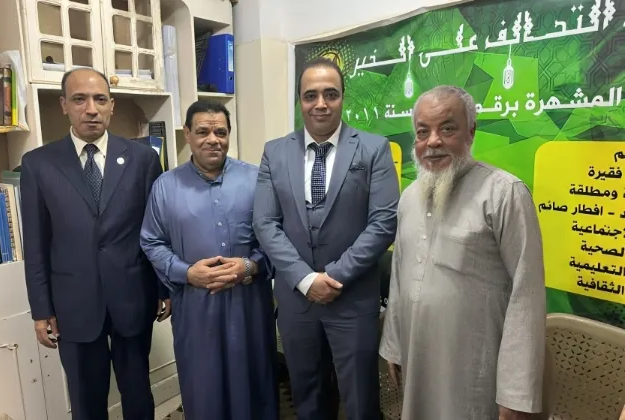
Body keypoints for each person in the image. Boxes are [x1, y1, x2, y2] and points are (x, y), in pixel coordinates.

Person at [379, 85, 546, 420]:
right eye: (422, 132)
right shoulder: (409, 197)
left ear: (471, 131)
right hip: (418, 358)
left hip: (475, 371)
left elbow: (526, 296)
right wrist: (394, 345)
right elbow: (400, 276)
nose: (433, 141)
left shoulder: (504, 194)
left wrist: (516, 394)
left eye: (447, 128)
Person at [253, 58, 399, 420]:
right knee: (308, 398)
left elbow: (383, 223)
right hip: (297, 302)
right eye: (311, 95)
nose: (321, 104)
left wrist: (333, 276)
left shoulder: (373, 148)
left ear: (343, 97)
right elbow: (265, 222)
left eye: (330, 94)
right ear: (300, 100)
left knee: (361, 402)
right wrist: (305, 280)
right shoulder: (275, 152)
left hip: (352, 299)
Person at [21, 68, 171, 420]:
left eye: (100, 99)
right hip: (73, 304)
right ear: (64, 105)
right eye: (80, 99)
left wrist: (164, 288)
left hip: (133, 296)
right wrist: (41, 309)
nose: (91, 109)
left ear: (111, 105)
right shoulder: (38, 164)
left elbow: (156, 231)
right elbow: (36, 244)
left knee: (137, 393)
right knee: (86, 401)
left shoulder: (143, 159)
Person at [140, 100, 278, 420]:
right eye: (203, 132)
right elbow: (151, 241)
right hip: (196, 310)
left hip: (249, 308)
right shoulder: (165, 187)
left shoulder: (256, 180)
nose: (213, 139)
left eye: (221, 132)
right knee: (204, 391)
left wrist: (250, 266)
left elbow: (277, 238)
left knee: (255, 385)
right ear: (187, 134)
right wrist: (187, 272)